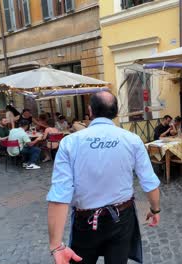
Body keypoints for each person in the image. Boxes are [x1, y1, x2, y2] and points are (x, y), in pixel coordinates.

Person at [46, 91, 161, 264]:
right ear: (116, 112)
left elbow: (60, 194)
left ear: (90, 110)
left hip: (85, 221)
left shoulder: (70, 142)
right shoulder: (132, 140)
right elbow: (149, 181)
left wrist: (56, 245)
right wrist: (155, 209)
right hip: (122, 217)